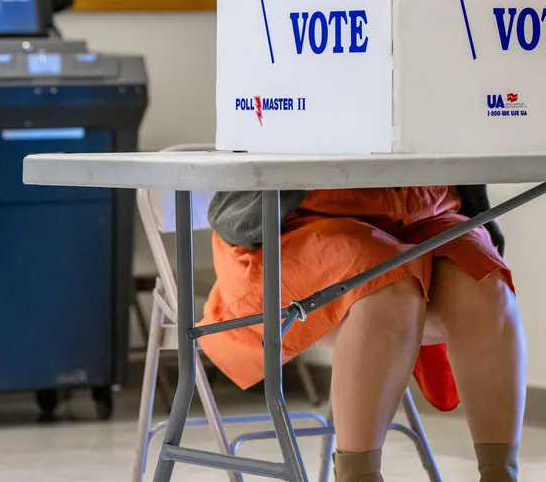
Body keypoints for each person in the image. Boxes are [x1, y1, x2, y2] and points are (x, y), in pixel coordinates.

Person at [202, 185, 524, 482]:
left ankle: (501, 473)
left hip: (424, 207)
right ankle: (358, 476)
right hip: (301, 219)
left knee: (486, 289)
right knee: (386, 286)